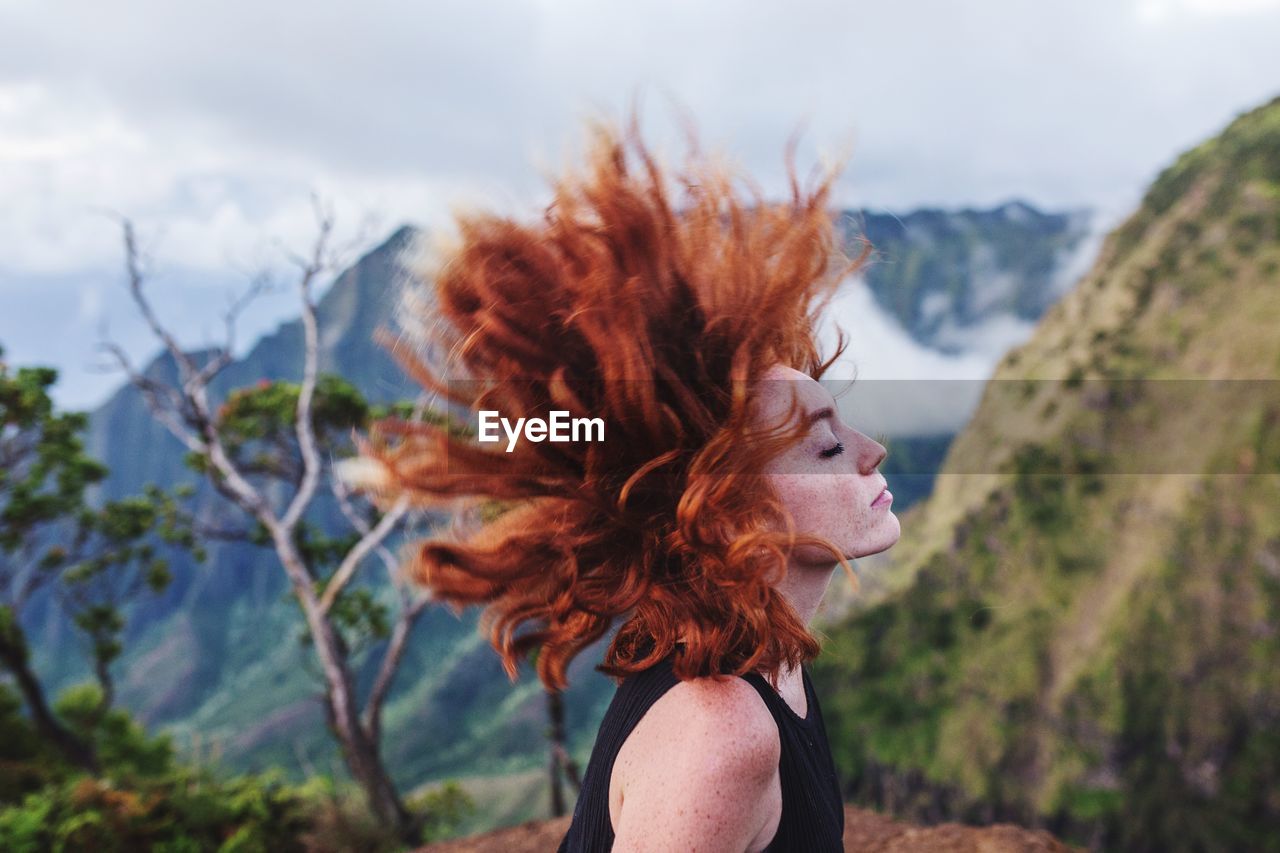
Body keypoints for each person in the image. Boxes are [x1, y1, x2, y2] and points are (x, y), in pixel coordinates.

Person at [349, 107, 901, 851]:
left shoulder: (771, 660)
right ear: (729, 509)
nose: (873, 451)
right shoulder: (724, 732)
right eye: (826, 447)